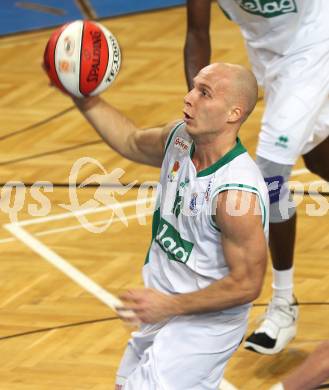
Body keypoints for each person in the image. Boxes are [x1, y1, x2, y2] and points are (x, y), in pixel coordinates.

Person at [65, 62, 270, 389]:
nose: (189, 98)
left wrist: (169, 306)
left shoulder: (235, 194)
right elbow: (131, 141)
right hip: (165, 306)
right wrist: (84, 98)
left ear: (234, 113)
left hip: (204, 324)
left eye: (205, 93)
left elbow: (247, 284)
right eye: (193, 87)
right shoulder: (180, 139)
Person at [184, 0, 329, 355]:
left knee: (270, 176)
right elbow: (197, 33)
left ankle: (283, 305)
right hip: (268, 60)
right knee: (318, 157)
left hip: (316, 46)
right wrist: (198, 103)